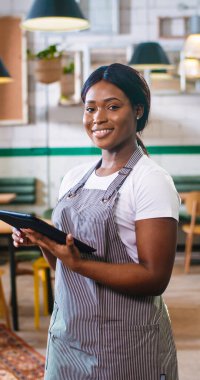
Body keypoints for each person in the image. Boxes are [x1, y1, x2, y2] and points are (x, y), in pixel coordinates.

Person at [12, 63, 180, 380]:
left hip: (125, 344)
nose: (98, 118)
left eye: (112, 106)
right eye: (90, 108)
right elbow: (64, 268)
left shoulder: (151, 181)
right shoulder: (75, 178)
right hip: (68, 336)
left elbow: (155, 278)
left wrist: (79, 265)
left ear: (138, 110)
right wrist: (44, 243)